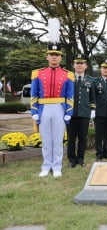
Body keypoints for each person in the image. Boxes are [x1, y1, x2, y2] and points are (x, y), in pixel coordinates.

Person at [31, 44, 74, 177]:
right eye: (51, 55)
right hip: (44, 109)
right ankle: (46, 166)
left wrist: (68, 112)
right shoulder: (38, 73)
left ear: (61, 57)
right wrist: (34, 112)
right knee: (46, 139)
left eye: (57, 55)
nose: (54, 57)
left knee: (58, 139)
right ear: (47, 57)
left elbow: (70, 95)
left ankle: (57, 166)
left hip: (59, 108)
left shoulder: (68, 74)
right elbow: (34, 94)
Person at [67, 54, 96, 168]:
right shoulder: (68, 79)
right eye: (77, 63)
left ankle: (81, 159)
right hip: (71, 113)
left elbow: (93, 97)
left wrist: (93, 109)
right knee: (71, 138)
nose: (79, 65)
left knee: (83, 138)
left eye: (81, 63)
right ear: (73, 65)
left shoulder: (91, 80)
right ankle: (71, 159)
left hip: (84, 113)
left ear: (86, 66)